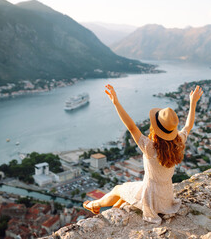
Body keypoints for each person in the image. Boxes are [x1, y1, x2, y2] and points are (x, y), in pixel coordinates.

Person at [83, 84, 203, 223]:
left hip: (150, 198)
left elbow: (132, 127)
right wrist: (193, 103)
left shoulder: (150, 148)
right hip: (166, 197)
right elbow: (188, 126)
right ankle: (110, 208)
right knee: (124, 194)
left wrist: (116, 103)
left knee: (118, 189)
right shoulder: (178, 143)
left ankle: (93, 205)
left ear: (155, 127)